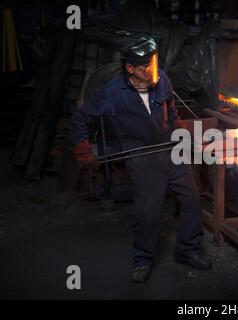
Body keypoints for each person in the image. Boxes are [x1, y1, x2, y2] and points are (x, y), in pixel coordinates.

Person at [69, 35, 212, 283]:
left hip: (169, 149)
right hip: (140, 155)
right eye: (146, 66)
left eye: (154, 62)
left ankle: (187, 249)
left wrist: (179, 129)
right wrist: (83, 150)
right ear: (131, 68)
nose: (153, 70)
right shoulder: (113, 93)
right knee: (149, 211)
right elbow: (80, 119)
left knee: (191, 198)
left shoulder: (162, 79)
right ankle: (143, 259)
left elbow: (170, 106)